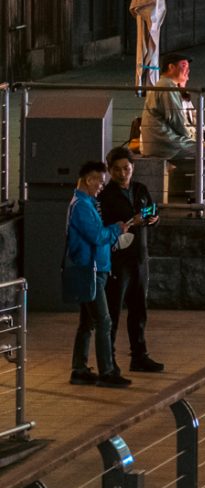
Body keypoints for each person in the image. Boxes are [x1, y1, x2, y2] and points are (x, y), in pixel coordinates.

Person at [61, 160, 128, 386]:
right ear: (88, 180)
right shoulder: (81, 206)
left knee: (88, 321)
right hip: (90, 269)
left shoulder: (86, 203)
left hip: (93, 268)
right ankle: (107, 371)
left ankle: (79, 369)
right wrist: (116, 229)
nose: (101, 186)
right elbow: (97, 236)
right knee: (103, 321)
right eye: (99, 181)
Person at [95, 149, 162, 372]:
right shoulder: (106, 197)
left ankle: (139, 355)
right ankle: (109, 359)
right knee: (112, 310)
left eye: (127, 168)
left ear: (132, 168)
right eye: (117, 170)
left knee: (139, 308)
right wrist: (128, 221)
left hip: (139, 257)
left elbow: (153, 212)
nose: (123, 173)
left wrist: (153, 219)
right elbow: (103, 227)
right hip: (118, 259)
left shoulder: (140, 189)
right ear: (110, 171)